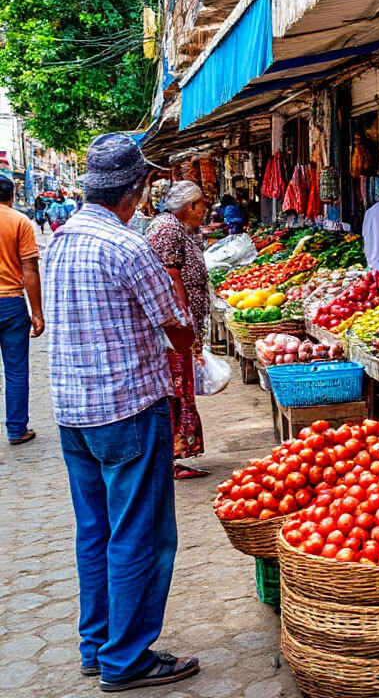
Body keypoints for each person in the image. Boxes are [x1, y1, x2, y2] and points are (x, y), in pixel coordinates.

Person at [46, 133, 199, 691]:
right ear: (135, 189)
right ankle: (126, 659)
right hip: (127, 409)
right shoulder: (128, 247)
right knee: (140, 534)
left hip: (74, 413)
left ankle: (97, 646)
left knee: (95, 531)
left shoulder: (60, 240)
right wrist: (185, 341)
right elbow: (177, 327)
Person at [145, 181, 212, 480]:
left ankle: (173, 455)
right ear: (190, 206)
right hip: (174, 332)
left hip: (177, 330)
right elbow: (171, 276)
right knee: (175, 389)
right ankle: (170, 457)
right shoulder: (168, 229)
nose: (205, 211)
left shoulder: (173, 227)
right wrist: (183, 320)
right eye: (202, 205)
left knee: (179, 388)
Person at [0, 174, 42, 444]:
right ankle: (16, 429)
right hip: (11, 303)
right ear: (12, 197)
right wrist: (37, 312)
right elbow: (30, 270)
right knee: (15, 370)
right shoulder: (19, 221)